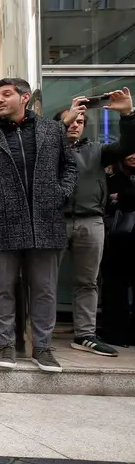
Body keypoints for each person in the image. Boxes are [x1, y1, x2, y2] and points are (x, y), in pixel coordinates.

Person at [0, 77, 78, 372]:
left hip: (45, 220)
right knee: (1, 287)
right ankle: (6, 346)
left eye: (6, 94)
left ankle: (43, 348)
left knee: (44, 288)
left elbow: (70, 167)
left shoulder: (53, 131)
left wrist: (61, 193)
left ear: (24, 98)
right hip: (2, 222)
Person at [56, 88, 135, 356]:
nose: (76, 124)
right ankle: (38, 331)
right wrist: (63, 122)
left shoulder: (97, 151)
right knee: (42, 279)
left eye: (81, 121)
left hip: (91, 221)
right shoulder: (47, 151)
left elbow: (127, 146)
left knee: (87, 281)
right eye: (71, 119)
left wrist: (127, 115)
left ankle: (85, 334)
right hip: (54, 221)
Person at [102, 152, 135, 345]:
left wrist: (121, 197)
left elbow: (120, 199)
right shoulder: (112, 177)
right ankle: (115, 333)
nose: (133, 156)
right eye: (129, 151)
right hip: (118, 240)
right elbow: (105, 199)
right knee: (115, 286)